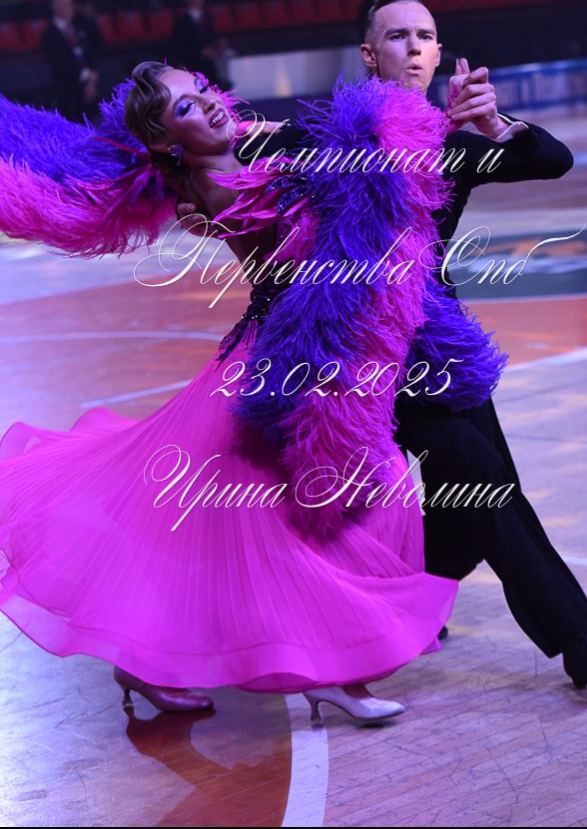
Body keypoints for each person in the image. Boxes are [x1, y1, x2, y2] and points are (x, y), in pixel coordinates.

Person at [0, 61, 510, 724]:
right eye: (185, 107)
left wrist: (427, 124)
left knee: (211, 529)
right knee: (323, 510)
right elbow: (335, 198)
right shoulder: (216, 185)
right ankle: (332, 674)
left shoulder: (239, 153)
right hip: (280, 364)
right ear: (166, 140)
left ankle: (152, 664)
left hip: (302, 348)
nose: (209, 105)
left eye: (202, 91)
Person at [177, 0, 587, 690]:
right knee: (476, 470)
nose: (415, 46)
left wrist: (497, 124)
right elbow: (238, 152)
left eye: (426, 35)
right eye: (398, 36)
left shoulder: (452, 144)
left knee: (473, 485)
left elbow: (553, 160)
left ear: (439, 52)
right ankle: (578, 641)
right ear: (370, 54)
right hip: (361, 350)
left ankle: (421, 595)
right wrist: (199, 178)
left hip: (442, 345)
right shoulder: (329, 133)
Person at [41, 0, 99, 120]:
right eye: (68, 5)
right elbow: (59, 61)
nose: (72, 8)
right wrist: (85, 74)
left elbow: (88, 53)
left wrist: (92, 76)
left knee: (90, 120)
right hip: (67, 88)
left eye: (72, 4)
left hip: (87, 84)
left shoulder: (79, 27)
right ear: (56, 8)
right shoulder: (49, 33)